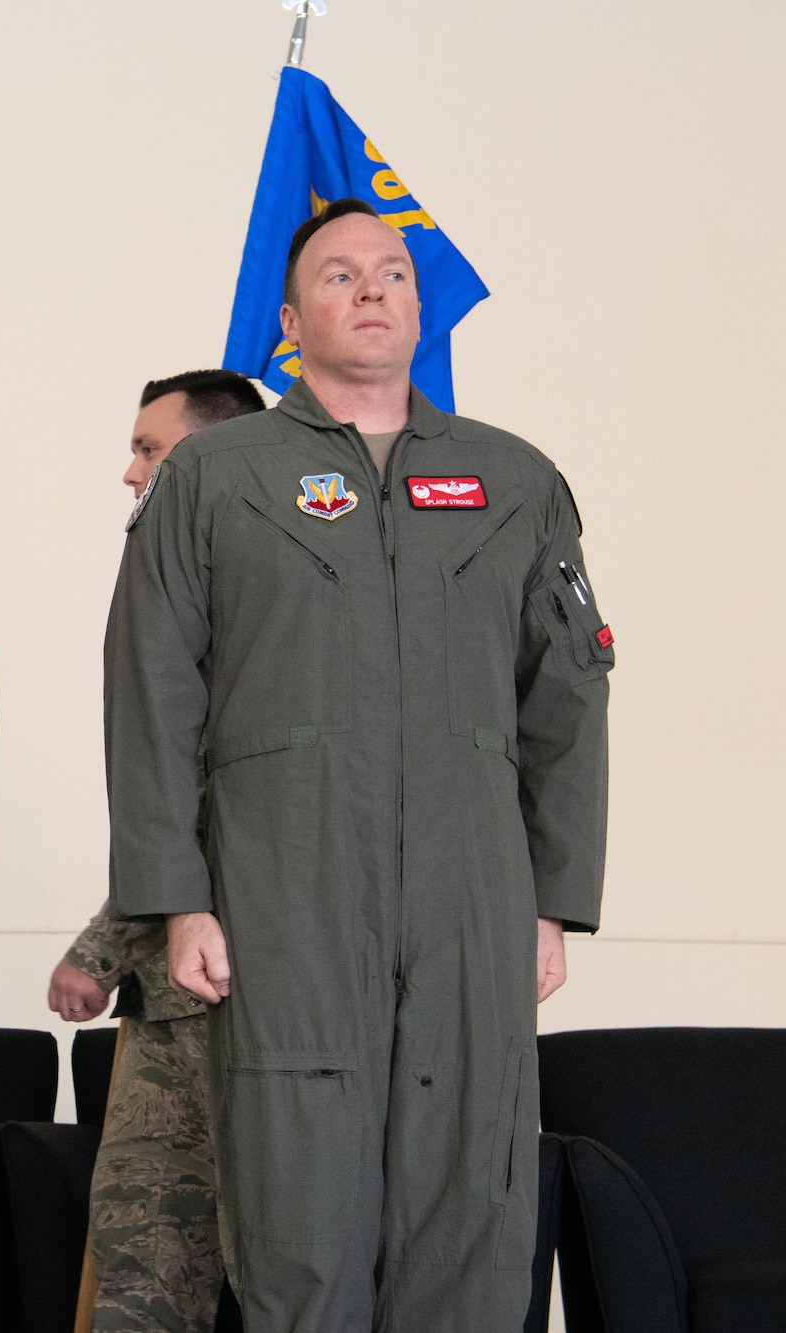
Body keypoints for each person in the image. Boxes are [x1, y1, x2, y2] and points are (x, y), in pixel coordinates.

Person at [107, 198, 613, 1331]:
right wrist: (175, 899)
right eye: (338, 275)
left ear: (416, 304)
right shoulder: (215, 476)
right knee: (298, 1215)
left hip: (471, 894)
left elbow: (567, 696)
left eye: (389, 271)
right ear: (289, 319)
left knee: (468, 1205)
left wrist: (551, 900)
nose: (371, 289)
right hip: (282, 887)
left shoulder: (511, 479)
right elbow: (148, 692)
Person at [49, 368, 265, 1333]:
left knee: (293, 1276)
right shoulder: (170, 593)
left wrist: (98, 951)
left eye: (150, 449)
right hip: (174, 1012)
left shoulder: (289, 602)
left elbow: (238, 810)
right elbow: (176, 814)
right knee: (142, 1271)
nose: (129, 472)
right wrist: (105, 952)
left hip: (282, 1020)